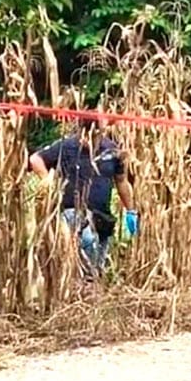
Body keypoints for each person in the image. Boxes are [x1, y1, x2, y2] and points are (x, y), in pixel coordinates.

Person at [29, 117, 137, 276]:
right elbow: (35, 159)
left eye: (96, 135)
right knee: (87, 241)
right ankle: (83, 284)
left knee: (99, 261)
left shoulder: (111, 150)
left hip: (102, 214)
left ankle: (89, 289)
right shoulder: (66, 146)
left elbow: (121, 181)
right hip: (73, 210)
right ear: (81, 131)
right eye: (88, 136)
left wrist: (130, 211)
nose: (90, 140)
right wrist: (47, 181)